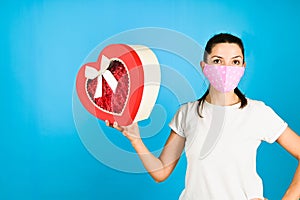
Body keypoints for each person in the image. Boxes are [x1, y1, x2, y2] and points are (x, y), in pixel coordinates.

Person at [106, 33, 300, 200]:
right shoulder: (187, 113)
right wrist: (135, 139)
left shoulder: (258, 112)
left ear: (243, 67)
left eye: (235, 62)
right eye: (217, 61)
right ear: (204, 66)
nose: (226, 68)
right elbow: (161, 172)